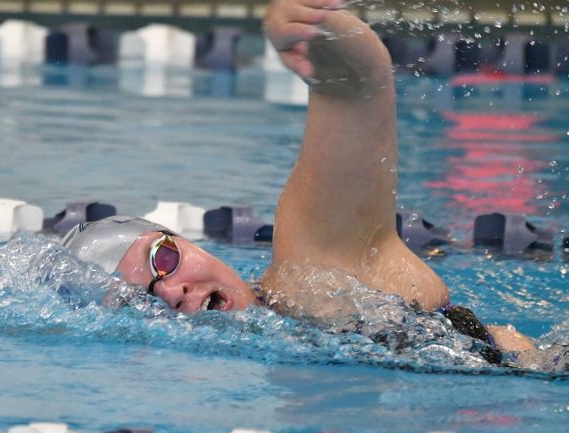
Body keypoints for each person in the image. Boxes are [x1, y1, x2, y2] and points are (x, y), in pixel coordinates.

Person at [63, 0, 536, 362]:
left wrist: (317, 29)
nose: (170, 292)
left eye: (162, 259)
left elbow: (355, 88)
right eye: (137, 302)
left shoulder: (313, 266)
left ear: (190, 244)